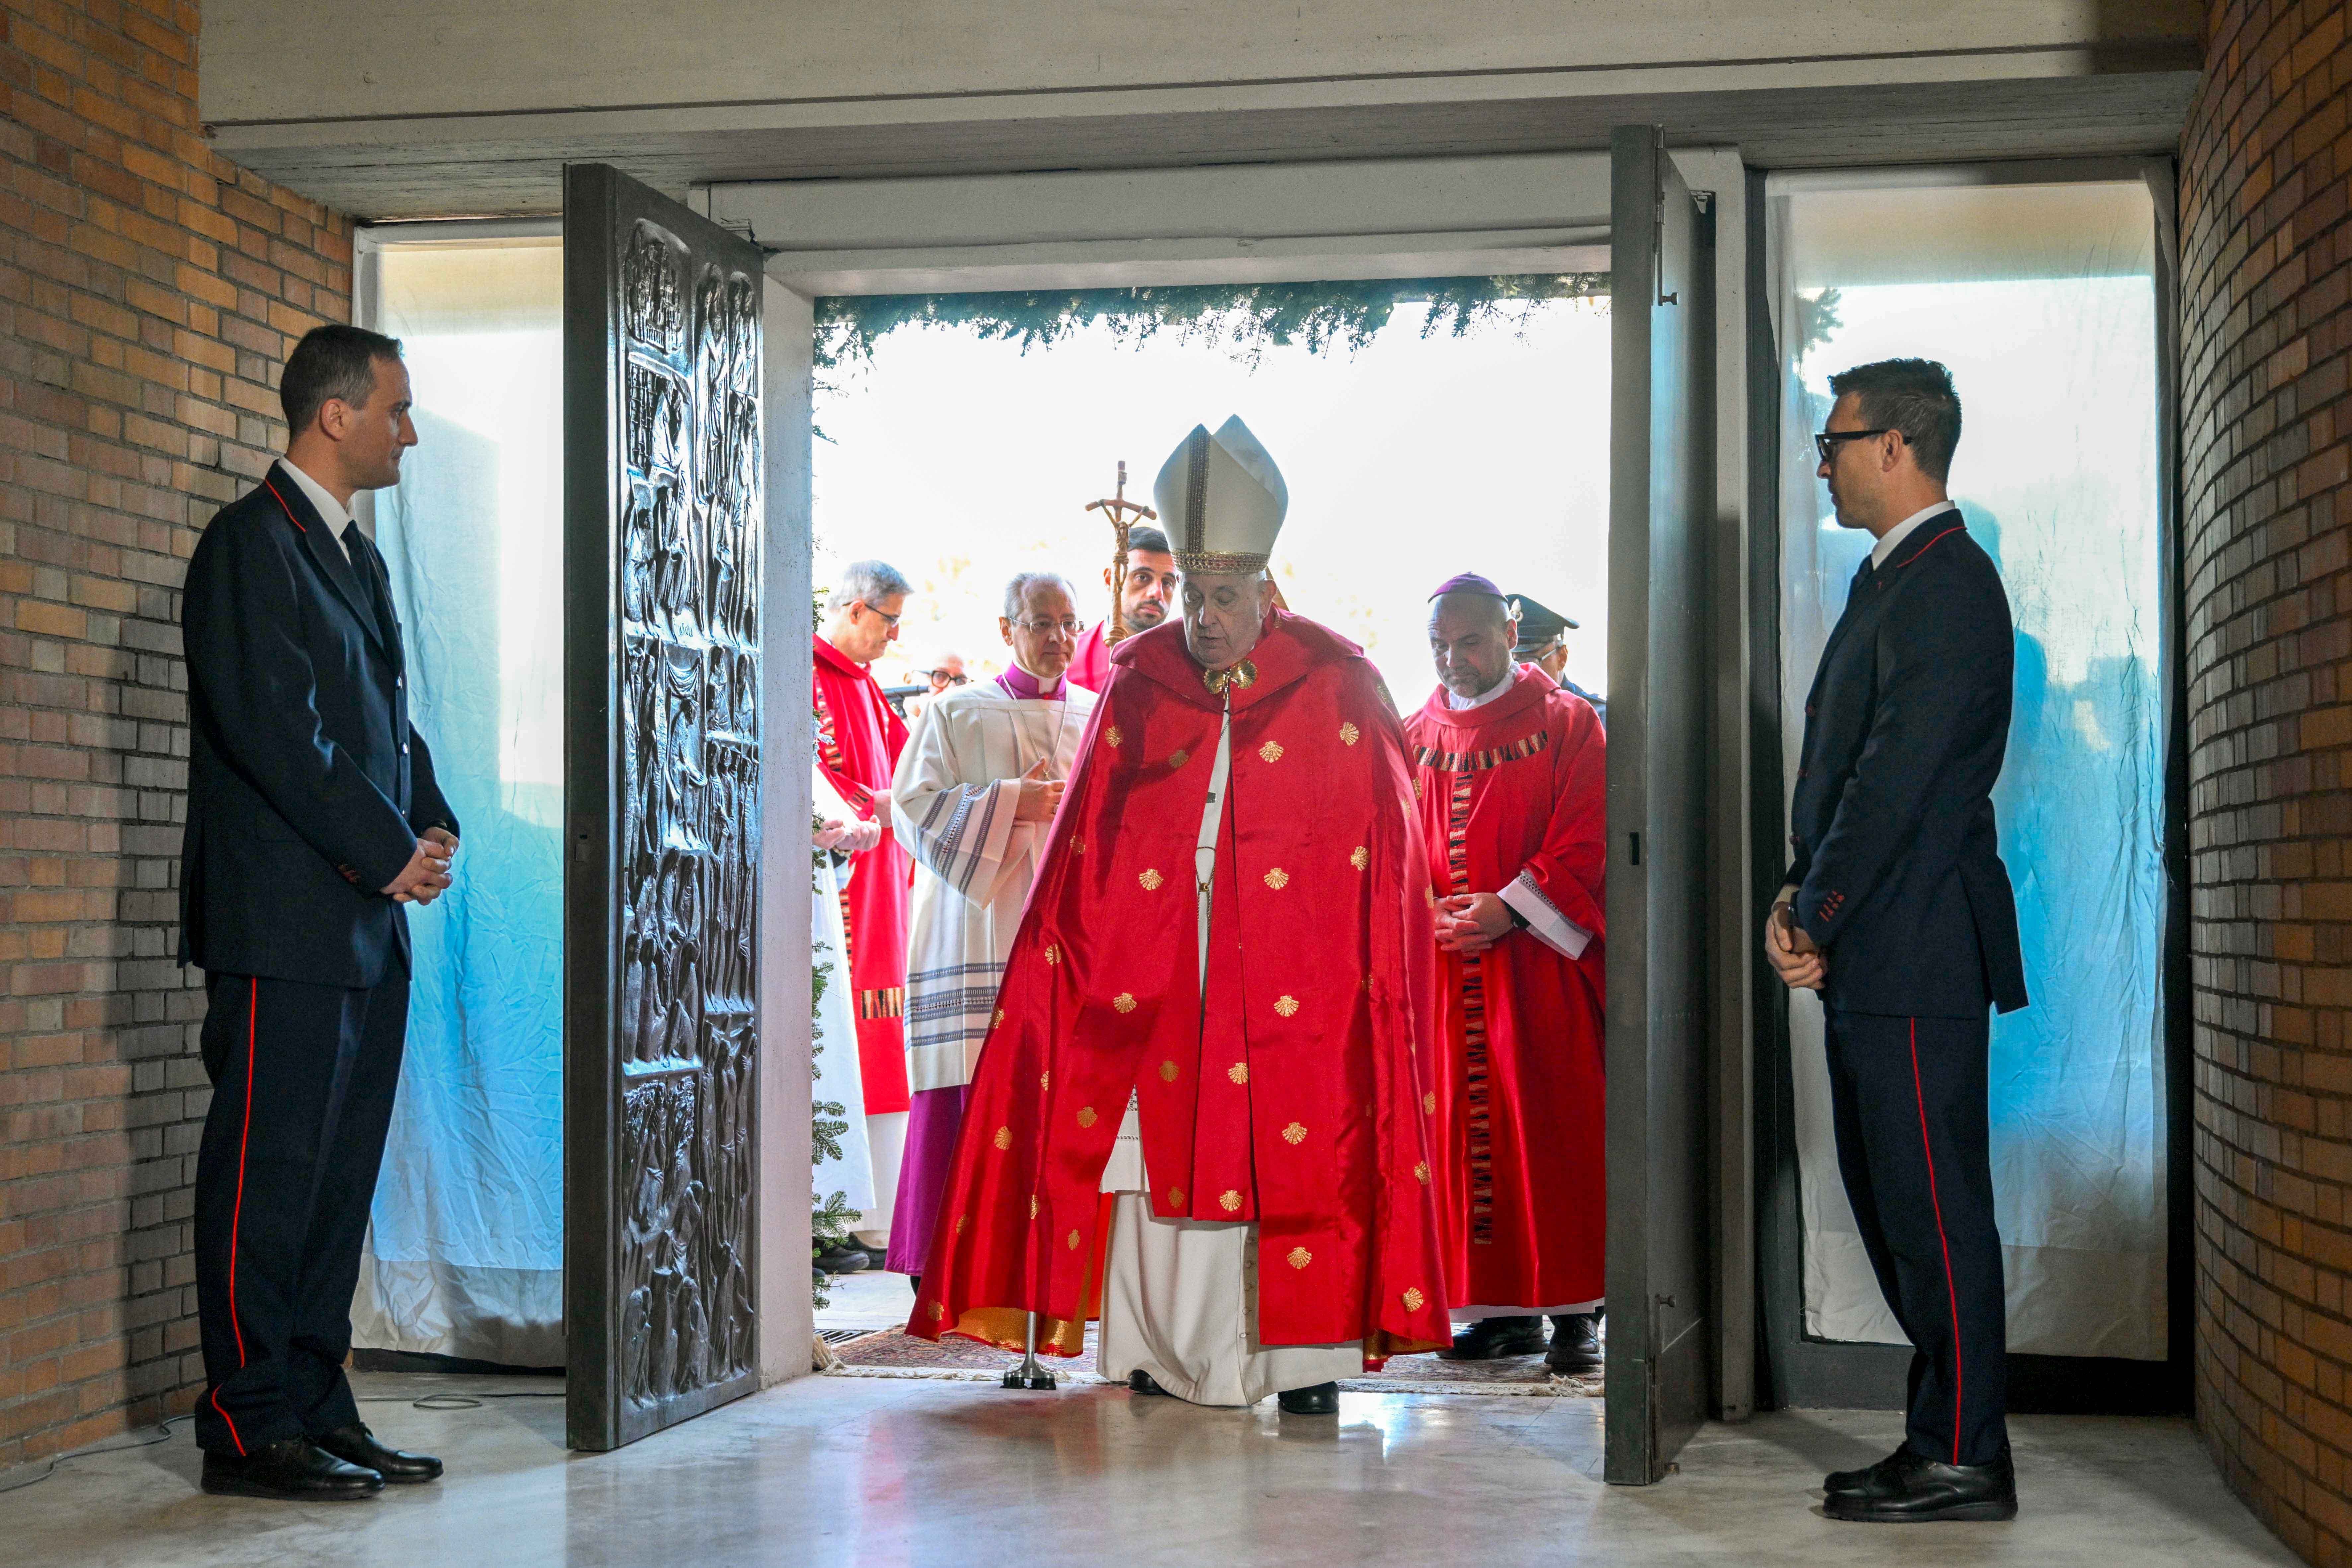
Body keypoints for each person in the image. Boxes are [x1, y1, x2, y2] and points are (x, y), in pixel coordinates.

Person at [909, 418, 1453, 1412]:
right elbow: (1085, 846)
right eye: (1192, 597)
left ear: (1266, 593)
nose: (1202, 619)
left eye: (1223, 598)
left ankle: (1305, 1360)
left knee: (1297, 1143)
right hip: (1155, 967)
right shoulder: (1137, 678)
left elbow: (1387, 861)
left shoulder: (1340, 683)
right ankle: (1153, 1349)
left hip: (1301, 983)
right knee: (1145, 1158)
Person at [178, 324, 458, 1500]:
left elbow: (382, 722)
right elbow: (277, 731)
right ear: (334, 415)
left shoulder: (356, 556)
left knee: (337, 1179)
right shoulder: (251, 545)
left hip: (361, 924)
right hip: (283, 926)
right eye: (396, 407)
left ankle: (314, 1400)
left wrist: (429, 820)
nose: (408, 427)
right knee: (267, 1176)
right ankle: (246, 1424)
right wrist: (385, 850)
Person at [1766, 357, 2029, 1524]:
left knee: (1932, 1209)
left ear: (1895, 447)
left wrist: (1809, 913)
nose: (1820, 461)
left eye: (1834, 440)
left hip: (1916, 945)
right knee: (1893, 1208)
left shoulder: (1946, 582)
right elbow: (1845, 787)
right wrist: (1799, 896)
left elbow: (1892, 784)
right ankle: (1939, 1437)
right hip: (1878, 942)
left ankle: (1965, 1453)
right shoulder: (1893, 577)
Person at [1408, 576, 1608, 1372]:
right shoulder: (1409, 731)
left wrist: (1510, 909)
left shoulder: (1565, 723)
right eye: (1438, 647)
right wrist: (1426, 915)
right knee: (1459, 1136)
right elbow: (1387, 849)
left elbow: (1587, 836)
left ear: (1508, 632)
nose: (1453, 661)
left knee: (1553, 1130)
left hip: (1537, 969)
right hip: (1446, 969)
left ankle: (1573, 1313)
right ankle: (1495, 1314)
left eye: (1470, 643)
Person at [885, 572, 1099, 1282]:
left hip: (1067, 928)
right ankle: (945, 1261)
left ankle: (1048, 1264)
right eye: (1041, 623)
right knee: (968, 1076)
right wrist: (1013, 802)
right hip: (977, 921)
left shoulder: (1099, 714)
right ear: (1007, 629)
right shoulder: (956, 712)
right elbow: (911, 808)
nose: (1058, 639)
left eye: (1068, 623)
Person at [814, 560, 918, 1265]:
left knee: (881, 1042)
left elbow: (908, 766)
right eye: (889, 620)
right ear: (856, 610)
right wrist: (876, 807)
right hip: (840, 888)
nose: (894, 635)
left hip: (884, 887)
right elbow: (818, 777)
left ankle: (871, 1212)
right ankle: (829, 1210)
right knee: (839, 1041)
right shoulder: (809, 676)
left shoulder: (866, 685)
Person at [1066, 523, 1175, 692]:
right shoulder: (1068, 658)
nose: (1157, 593)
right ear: (1111, 580)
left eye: (1167, 583)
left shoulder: (1187, 665)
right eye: (1143, 577)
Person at [1508, 593, 1605, 727]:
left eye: (1531, 662)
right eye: (1512, 664)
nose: (1520, 672)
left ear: (1562, 658)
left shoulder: (1596, 718)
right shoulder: (1504, 720)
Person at [903, 651, 968, 726]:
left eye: (961, 681)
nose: (953, 688)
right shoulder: (888, 730)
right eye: (939, 676)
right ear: (909, 679)